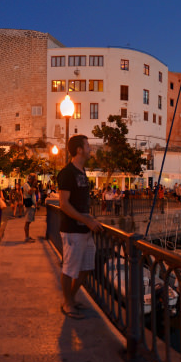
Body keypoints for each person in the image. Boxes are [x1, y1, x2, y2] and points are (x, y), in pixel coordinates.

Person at [57, 135, 99, 319]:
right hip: (72, 230)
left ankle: (71, 298)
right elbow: (64, 204)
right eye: (88, 145)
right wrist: (86, 220)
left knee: (88, 266)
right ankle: (67, 303)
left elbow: (81, 203)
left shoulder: (82, 172)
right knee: (69, 268)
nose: (90, 148)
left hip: (85, 228)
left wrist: (91, 219)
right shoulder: (67, 173)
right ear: (80, 149)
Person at [22, 176, 40, 242]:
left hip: (32, 205)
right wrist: (33, 186)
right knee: (27, 221)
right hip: (28, 205)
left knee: (29, 221)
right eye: (34, 179)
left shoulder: (31, 185)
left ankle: (28, 236)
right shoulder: (26, 185)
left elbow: (36, 193)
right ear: (31, 179)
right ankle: (26, 237)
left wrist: (35, 187)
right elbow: (30, 192)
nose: (35, 180)